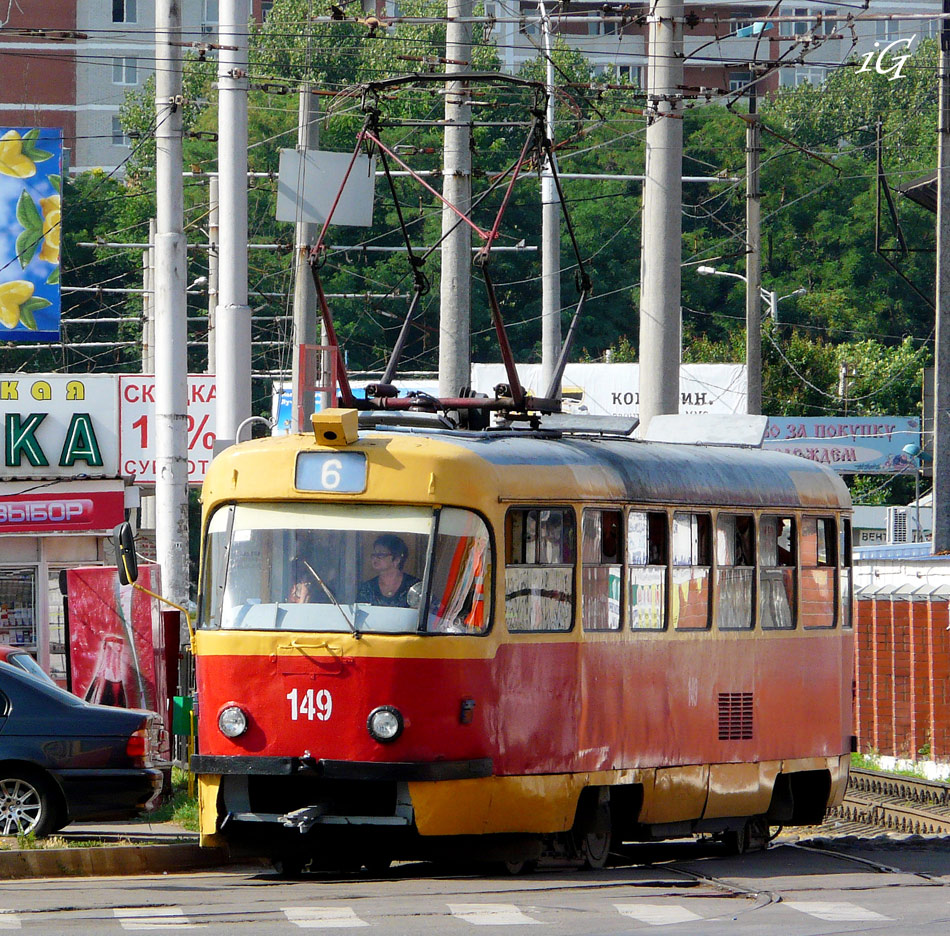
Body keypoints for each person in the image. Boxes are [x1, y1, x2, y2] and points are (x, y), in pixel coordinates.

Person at [358, 534, 419, 608]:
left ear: (397, 559)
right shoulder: (367, 588)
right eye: (374, 554)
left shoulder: (415, 587)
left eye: (380, 554)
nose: (375, 558)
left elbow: (435, 612)